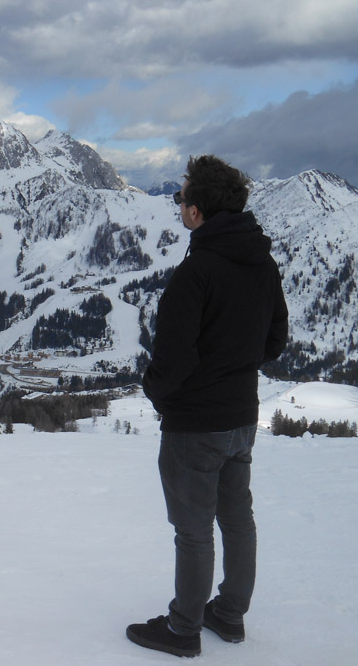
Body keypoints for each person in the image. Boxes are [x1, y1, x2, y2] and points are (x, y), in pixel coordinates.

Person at [126, 155, 288, 658]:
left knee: (193, 530)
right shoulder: (261, 263)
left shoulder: (196, 273)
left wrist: (157, 393)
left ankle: (182, 630)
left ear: (197, 211)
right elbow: (274, 341)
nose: (178, 204)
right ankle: (230, 614)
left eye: (180, 197)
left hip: (194, 425)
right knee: (237, 519)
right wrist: (234, 370)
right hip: (241, 418)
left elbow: (172, 361)